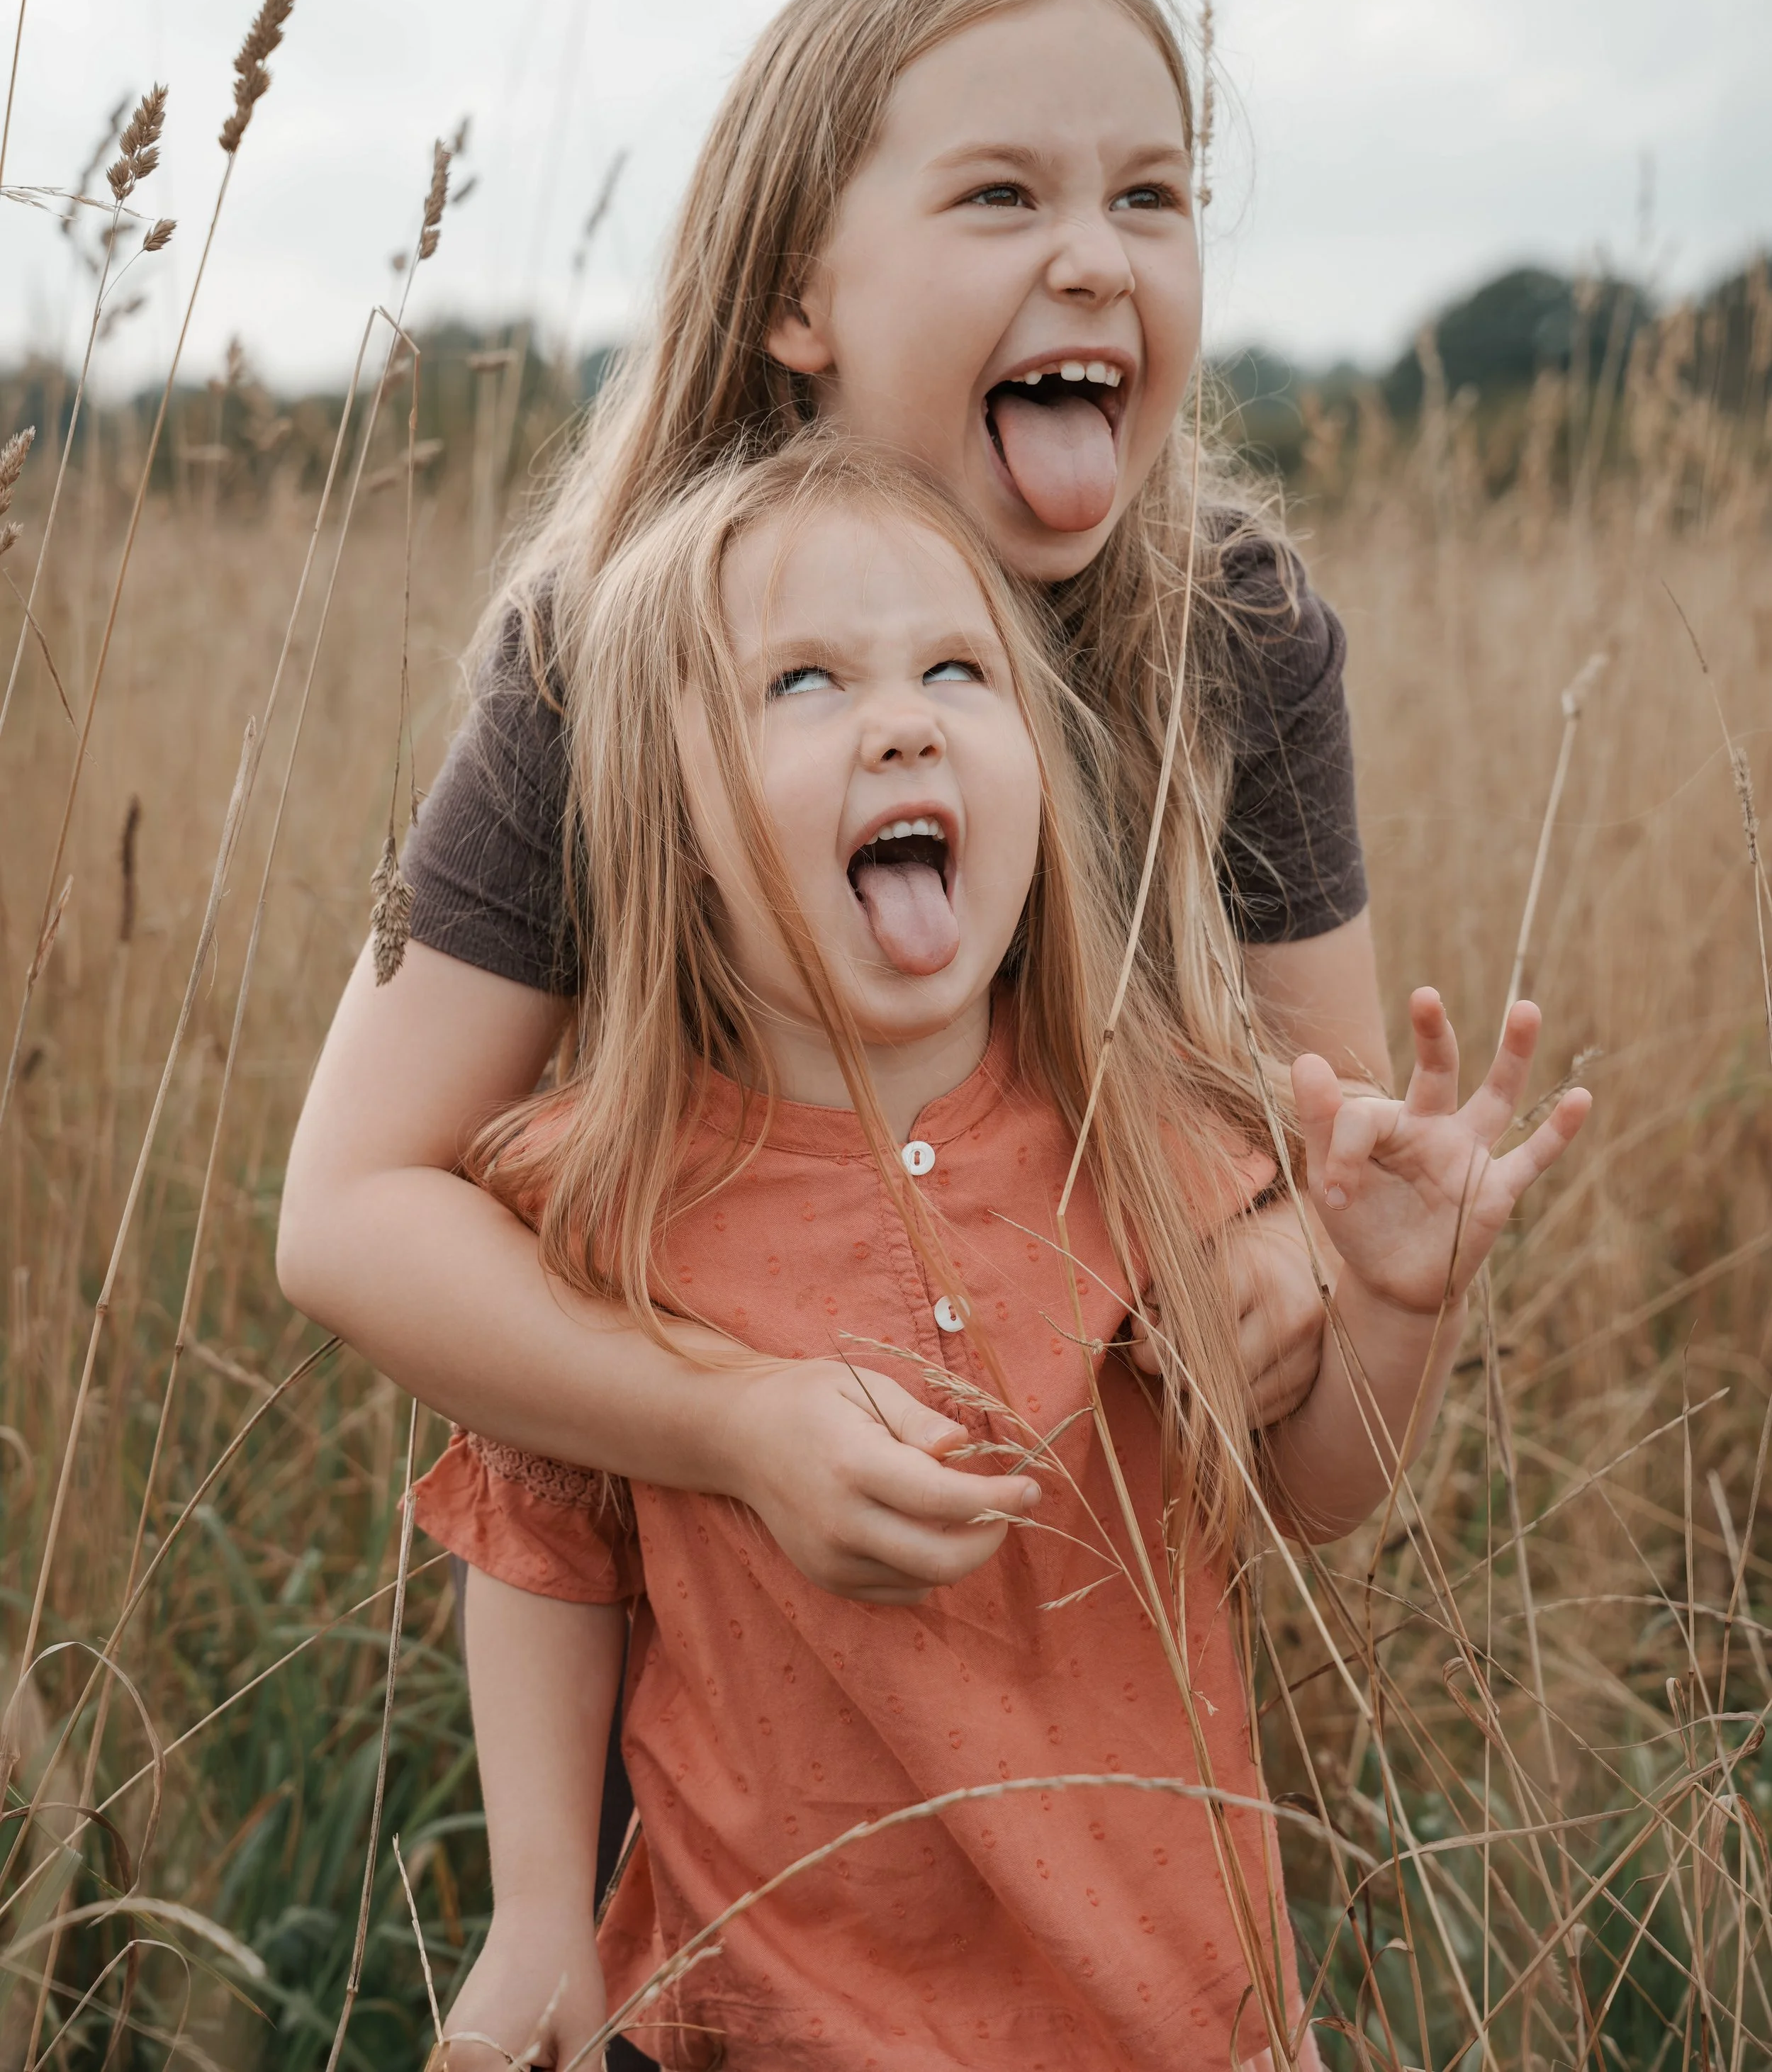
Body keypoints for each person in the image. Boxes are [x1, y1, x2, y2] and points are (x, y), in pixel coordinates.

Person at [415, 439, 1588, 2069]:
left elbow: (1304, 1496)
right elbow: (543, 1554)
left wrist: (1394, 1299)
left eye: (957, 671)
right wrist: (538, 1910)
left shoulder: (1152, 1133)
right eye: (804, 683)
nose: (901, 717)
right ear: (665, 826)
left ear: (1037, 777)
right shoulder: (603, 1194)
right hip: (761, 2023)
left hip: (1166, 2016)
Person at [280, 0, 1391, 1622]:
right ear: (798, 296)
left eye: (1150, 198)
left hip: (1096, 1656)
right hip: (717, 1663)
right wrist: (732, 1423)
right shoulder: (608, 651)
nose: (1095, 257)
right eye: (1003, 197)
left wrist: (1290, 1251)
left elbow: (1340, 1153)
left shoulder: (1225, 635)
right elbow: (351, 1212)